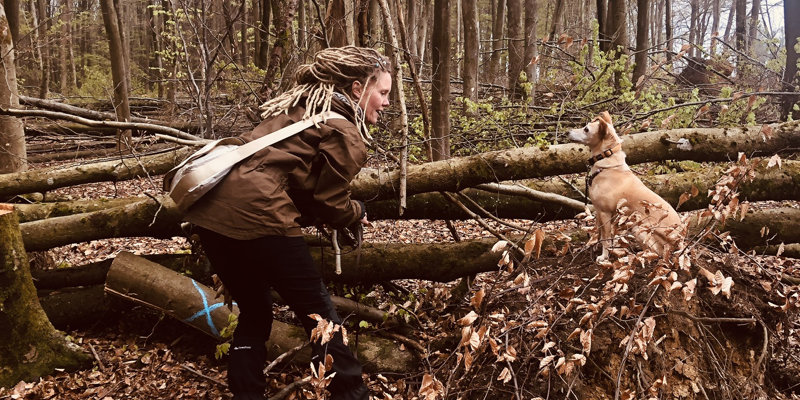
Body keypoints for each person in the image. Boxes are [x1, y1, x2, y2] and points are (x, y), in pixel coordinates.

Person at [184, 46, 392, 400]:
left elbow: (288, 175)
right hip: (262, 216)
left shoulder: (297, 112)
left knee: (254, 313)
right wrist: (355, 211)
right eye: (383, 92)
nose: (387, 103)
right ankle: (352, 394)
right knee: (321, 319)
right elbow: (330, 203)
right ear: (358, 89)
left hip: (211, 214)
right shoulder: (344, 131)